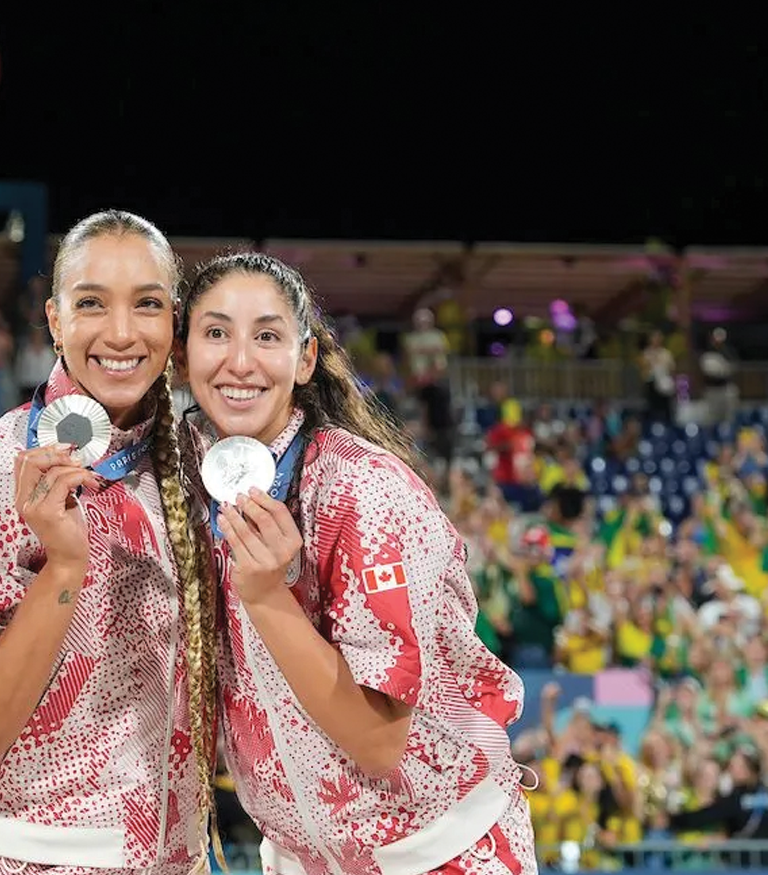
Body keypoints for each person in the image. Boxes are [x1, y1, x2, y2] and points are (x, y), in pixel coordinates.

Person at [179, 252, 536, 875]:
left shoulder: (364, 491)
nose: (239, 361)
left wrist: (266, 597)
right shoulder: (189, 481)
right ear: (183, 354)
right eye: (215, 333)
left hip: (439, 854)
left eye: (267, 336)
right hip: (300, 859)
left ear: (306, 358)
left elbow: (379, 741)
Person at [0, 210, 213, 875]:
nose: (121, 332)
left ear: (175, 322)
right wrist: (62, 570)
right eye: (90, 304)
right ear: (54, 321)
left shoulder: (200, 467)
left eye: (147, 305)